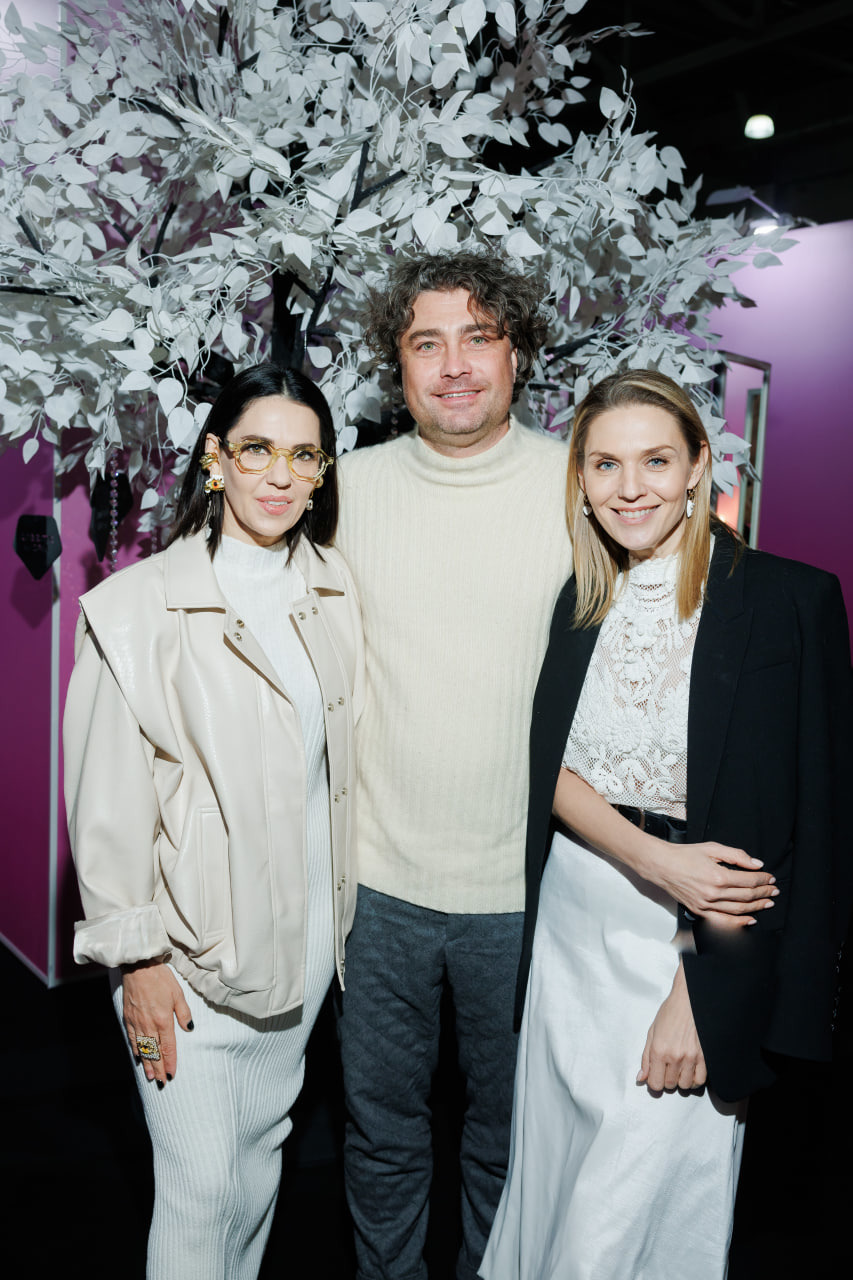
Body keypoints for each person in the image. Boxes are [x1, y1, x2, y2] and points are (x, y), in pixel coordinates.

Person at [333, 254, 776, 1280]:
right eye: (426, 342)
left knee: (515, 1146)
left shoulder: (584, 487)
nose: (454, 365)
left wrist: (707, 956)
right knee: (380, 1137)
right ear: (396, 363)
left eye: (478, 337)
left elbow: (698, 692)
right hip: (377, 887)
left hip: (533, 891)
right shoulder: (344, 493)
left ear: (518, 353)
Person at [480, 369, 853, 1280]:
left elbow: (800, 827)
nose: (629, 487)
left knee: (619, 1226)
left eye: (654, 460)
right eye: (604, 464)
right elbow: (550, 775)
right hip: (574, 930)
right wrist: (653, 857)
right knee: (558, 1196)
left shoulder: (787, 601)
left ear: (696, 466)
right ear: (580, 479)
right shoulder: (581, 601)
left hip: (692, 947)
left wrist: (699, 983)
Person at [63, 365, 363, 1280]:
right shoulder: (134, 608)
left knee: (258, 1164)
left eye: (303, 456)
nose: (279, 475)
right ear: (215, 459)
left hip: (303, 947)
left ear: (321, 473)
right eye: (257, 449)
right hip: (186, 960)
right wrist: (139, 963)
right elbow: (106, 807)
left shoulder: (334, 589)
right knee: (199, 1191)